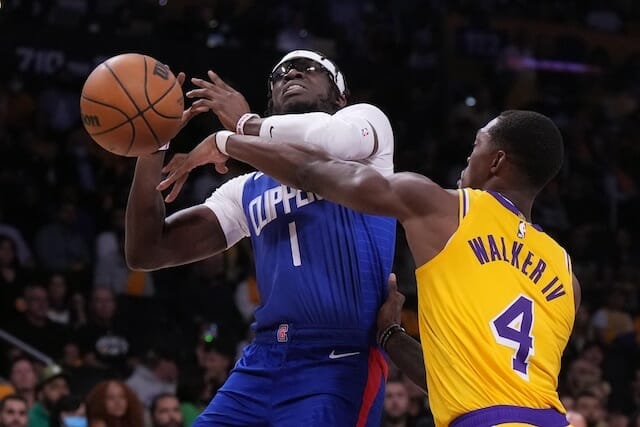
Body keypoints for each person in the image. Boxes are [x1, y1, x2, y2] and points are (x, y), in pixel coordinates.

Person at [160, 110, 580, 426]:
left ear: (497, 161)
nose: (467, 159)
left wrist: (228, 140)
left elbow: (312, 173)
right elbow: (455, 378)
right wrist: (391, 335)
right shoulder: (566, 275)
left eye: (476, 147)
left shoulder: (445, 209)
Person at [126, 49, 396, 425]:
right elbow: (147, 250)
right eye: (280, 74)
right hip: (263, 359)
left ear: (340, 98)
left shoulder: (368, 131)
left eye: (309, 68)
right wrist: (153, 145)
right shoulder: (244, 189)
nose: (292, 73)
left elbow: (330, 142)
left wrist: (239, 129)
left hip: (339, 357)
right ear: (272, 104)